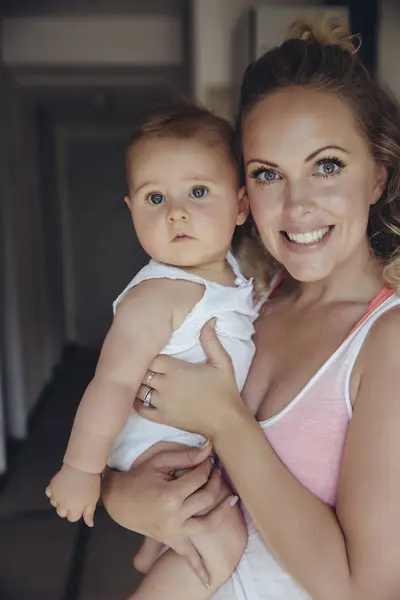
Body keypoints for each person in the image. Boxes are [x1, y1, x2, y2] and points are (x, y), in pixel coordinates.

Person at [102, 13, 400, 600]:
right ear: (243, 194)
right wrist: (122, 496)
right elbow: (138, 430)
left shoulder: (386, 341)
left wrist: (227, 422)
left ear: (377, 176)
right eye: (269, 174)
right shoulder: (248, 301)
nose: (297, 206)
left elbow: (368, 589)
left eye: (328, 166)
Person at [45, 105, 270, 596]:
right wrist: (81, 468)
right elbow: (112, 381)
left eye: (197, 191)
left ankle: (152, 550)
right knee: (223, 534)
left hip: (191, 441)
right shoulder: (157, 295)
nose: (177, 211)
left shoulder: (232, 271)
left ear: (239, 206)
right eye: (155, 197)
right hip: (156, 448)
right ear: (132, 211)